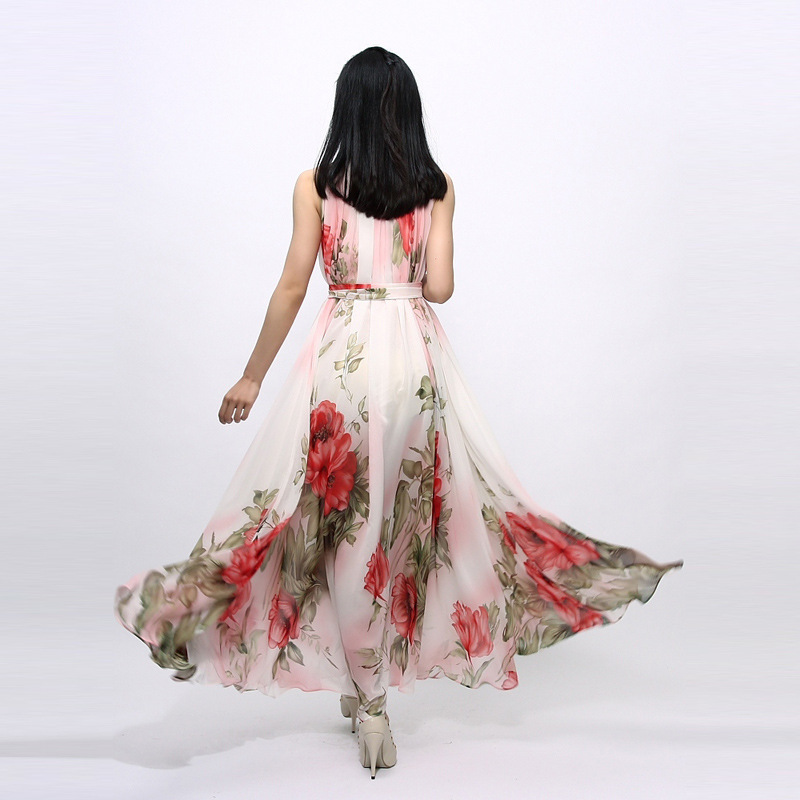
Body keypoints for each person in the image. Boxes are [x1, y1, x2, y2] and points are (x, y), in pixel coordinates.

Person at [114, 46, 684, 778]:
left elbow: (292, 286)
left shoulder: (315, 186)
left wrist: (252, 377)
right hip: (413, 366)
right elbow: (439, 287)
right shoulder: (436, 187)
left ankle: (367, 696)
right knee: (401, 525)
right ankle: (371, 693)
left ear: (343, 109)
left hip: (344, 364)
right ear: (409, 111)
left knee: (334, 526)